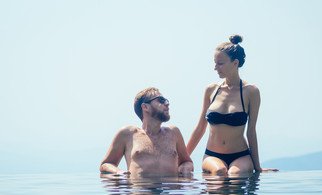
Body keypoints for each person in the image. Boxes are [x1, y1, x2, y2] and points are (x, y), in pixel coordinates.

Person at [186, 35, 278, 175]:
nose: (215, 67)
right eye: (215, 63)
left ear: (235, 63)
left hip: (241, 156)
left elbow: (251, 131)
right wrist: (182, 160)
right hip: (212, 155)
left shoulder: (251, 92)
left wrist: (258, 167)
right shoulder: (211, 90)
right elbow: (200, 129)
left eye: (220, 63)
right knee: (219, 171)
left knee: (235, 175)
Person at [100, 87, 194, 177]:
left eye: (166, 100)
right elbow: (106, 164)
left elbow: (187, 162)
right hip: (141, 191)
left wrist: (185, 169)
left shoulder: (174, 133)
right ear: (145, 107)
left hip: (170, 191)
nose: (167, 103)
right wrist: (118, 172)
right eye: (161, 100)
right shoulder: (127, 134)